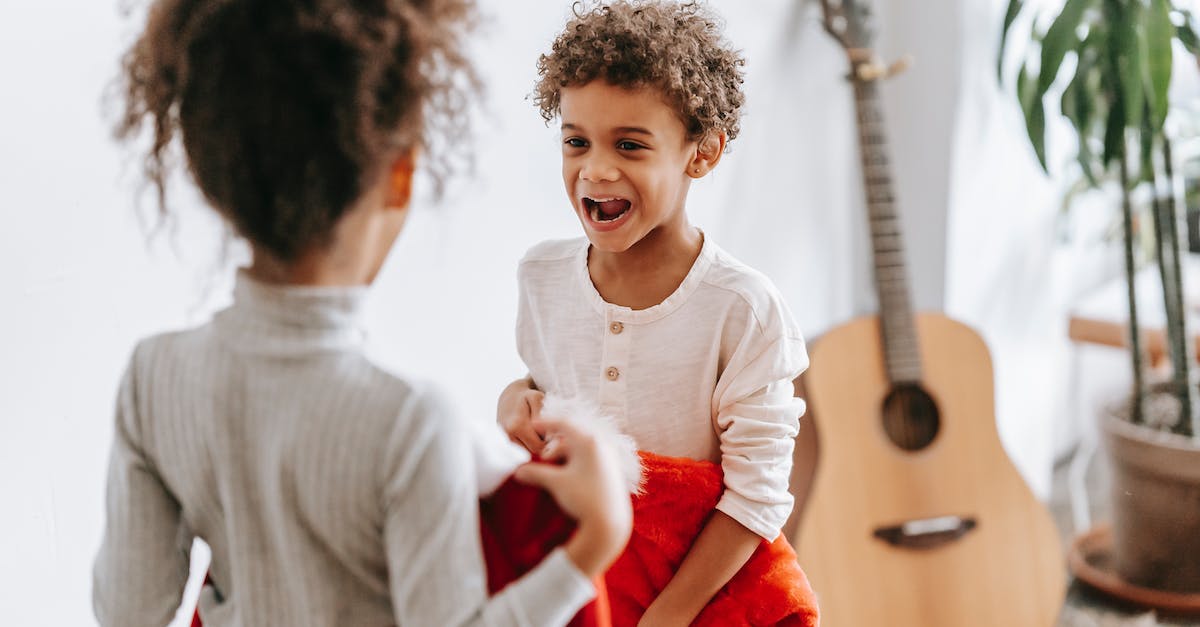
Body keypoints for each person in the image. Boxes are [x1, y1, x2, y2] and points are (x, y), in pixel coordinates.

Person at [93, 1, 631, 625]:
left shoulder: (153, 376)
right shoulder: (410, 419)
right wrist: (595, 542)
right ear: (399, 176)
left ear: (209, 169)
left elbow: (128, 612)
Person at [497, 2, 809, 624]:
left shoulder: (743, 308)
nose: (596, 169)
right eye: (576, 142)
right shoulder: (542, 276)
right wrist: (515, 397)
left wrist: (667, 616)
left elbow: (758, 493)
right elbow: (555, 386)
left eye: (631, 145)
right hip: (586, 580)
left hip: (703, 595)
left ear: (703, 152)